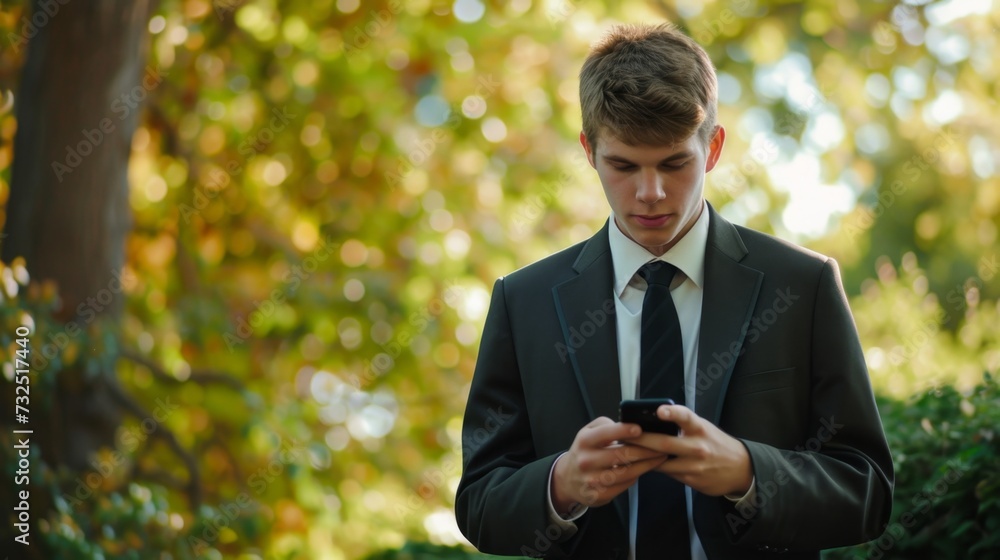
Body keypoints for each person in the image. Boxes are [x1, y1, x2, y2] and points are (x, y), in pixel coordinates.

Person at [455, 23, 893, 560]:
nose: (650, 193)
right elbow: (478, 502)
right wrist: (562, 484)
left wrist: (749, 472)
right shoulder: (522, 302)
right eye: (623, 166)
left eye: (673, 163)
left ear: (712, 148)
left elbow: (868, 492)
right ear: (589, 151)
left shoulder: (804, 286)